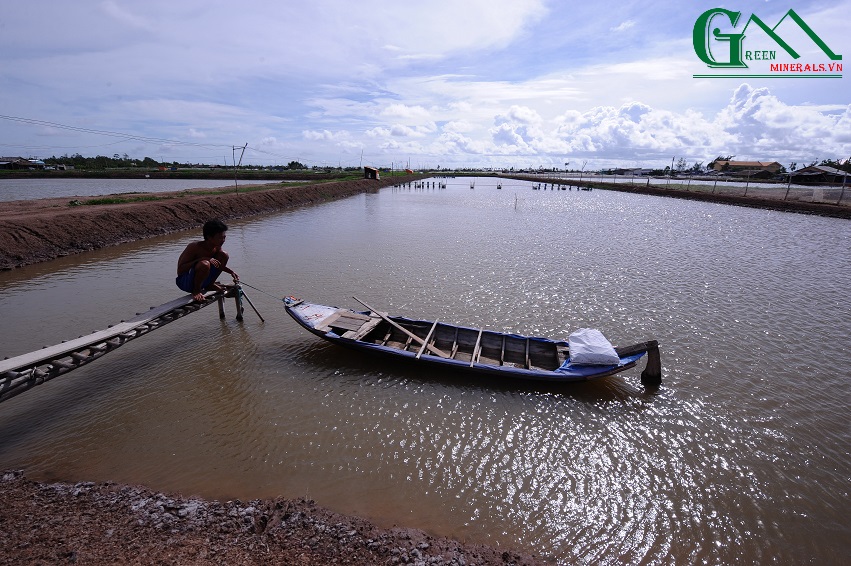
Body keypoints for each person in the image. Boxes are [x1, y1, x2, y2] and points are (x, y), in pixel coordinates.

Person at [176, 219, 239, 302]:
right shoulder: (194, 247)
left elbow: (218, 264)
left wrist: (231, 272)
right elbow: (180, 270)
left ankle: (210, 284)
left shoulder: (217, 247)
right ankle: (196, 291)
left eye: (224, 237)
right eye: (220, 238)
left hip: (202, 280)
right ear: (209, 237)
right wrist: (201, 259)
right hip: (185, 282)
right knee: (204, 264)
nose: (223, 240)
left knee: (224, 255)